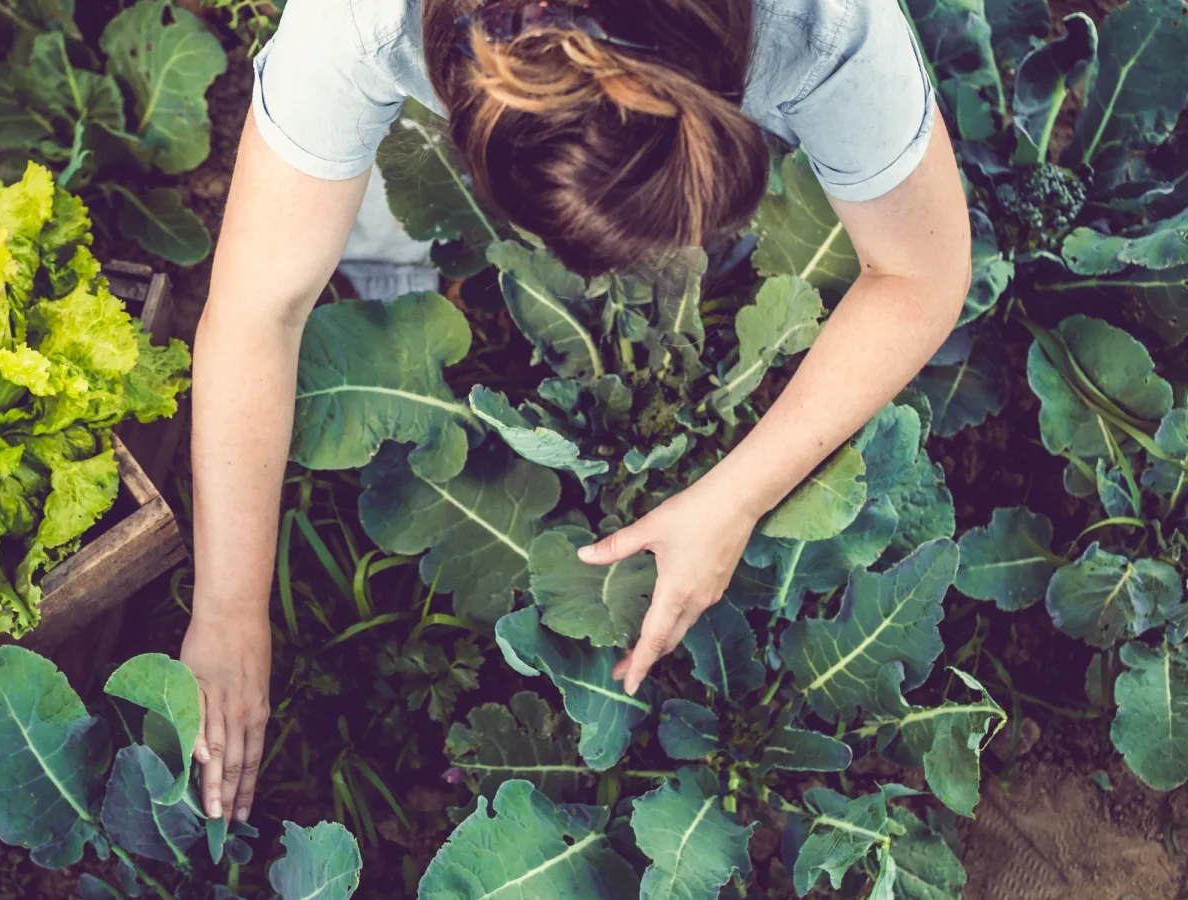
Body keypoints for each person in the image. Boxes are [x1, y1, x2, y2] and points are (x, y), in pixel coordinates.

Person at [179, 0, 972, 823]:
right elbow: (254, 313)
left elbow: (923, 273)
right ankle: (386, 232)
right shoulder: (359, 21)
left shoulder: (822, 22)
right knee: (351, 211)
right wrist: (229, 609)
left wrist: (733, 498)